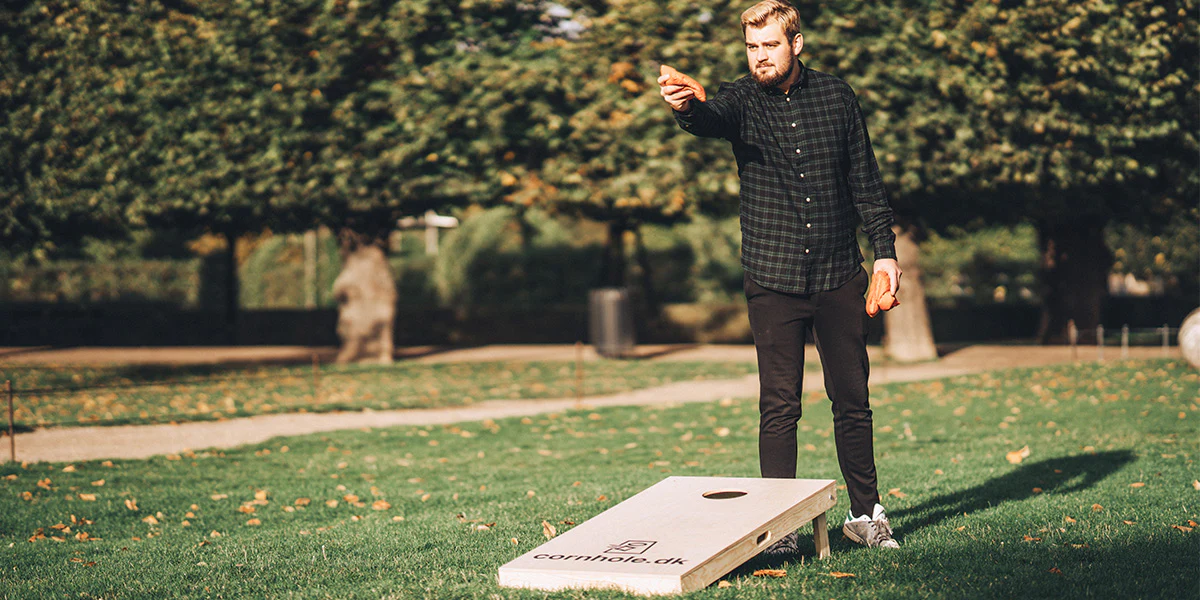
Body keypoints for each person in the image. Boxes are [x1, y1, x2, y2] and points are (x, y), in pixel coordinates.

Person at [659, 0, 902, 551]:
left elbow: (864, 178)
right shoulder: (739, 99)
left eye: (769, 45)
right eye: (751, 47)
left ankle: (866, 517)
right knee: (779, 406)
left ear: (795, 44)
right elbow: (708, 117)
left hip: (839, 271)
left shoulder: (837, 96)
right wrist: (686, 105)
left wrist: (884, 253)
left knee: (852, 400)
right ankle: (782, 527)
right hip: (772, 275)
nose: (760, 56)